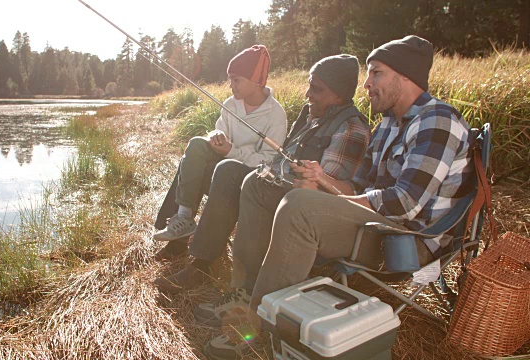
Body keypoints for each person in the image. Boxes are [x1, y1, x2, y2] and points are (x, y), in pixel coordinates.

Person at [203, 35, 475, 360]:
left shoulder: (437, 121)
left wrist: (326, 202)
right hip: (377, 223)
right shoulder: (389, 123)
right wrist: (321, 180)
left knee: (301, 206)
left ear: (405, 77)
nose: (366, 85)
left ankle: (260, 326)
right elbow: (356, 186)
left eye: (376, 73)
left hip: (408, 239)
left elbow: (406, 204)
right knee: (260, 185)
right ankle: (243, 292)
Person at [154, 54, 371, 296]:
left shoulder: (350, 128)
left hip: (295, 203)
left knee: (230, 173)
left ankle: (213, 271)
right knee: (203, 162)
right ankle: (189, 250)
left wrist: (269, 170)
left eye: (316, 88)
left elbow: (328, 195)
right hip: (273, 183)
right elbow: (280, 158)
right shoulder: (312, 116)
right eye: (309, 85)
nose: (307, 94)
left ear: (339, 95)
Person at [151, 45, 287, 250]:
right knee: (196, 147)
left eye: (236, 79)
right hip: (221, 165)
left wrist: (231, 152)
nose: (231, 85)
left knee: (194, 169)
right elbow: (219, 132)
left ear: (257, 81)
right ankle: (184, 218)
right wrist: (214, 136)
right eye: (230, 79)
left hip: (244, 180)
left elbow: (267, 161)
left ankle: (181, 243)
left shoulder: (276, 115)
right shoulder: (231, 104)